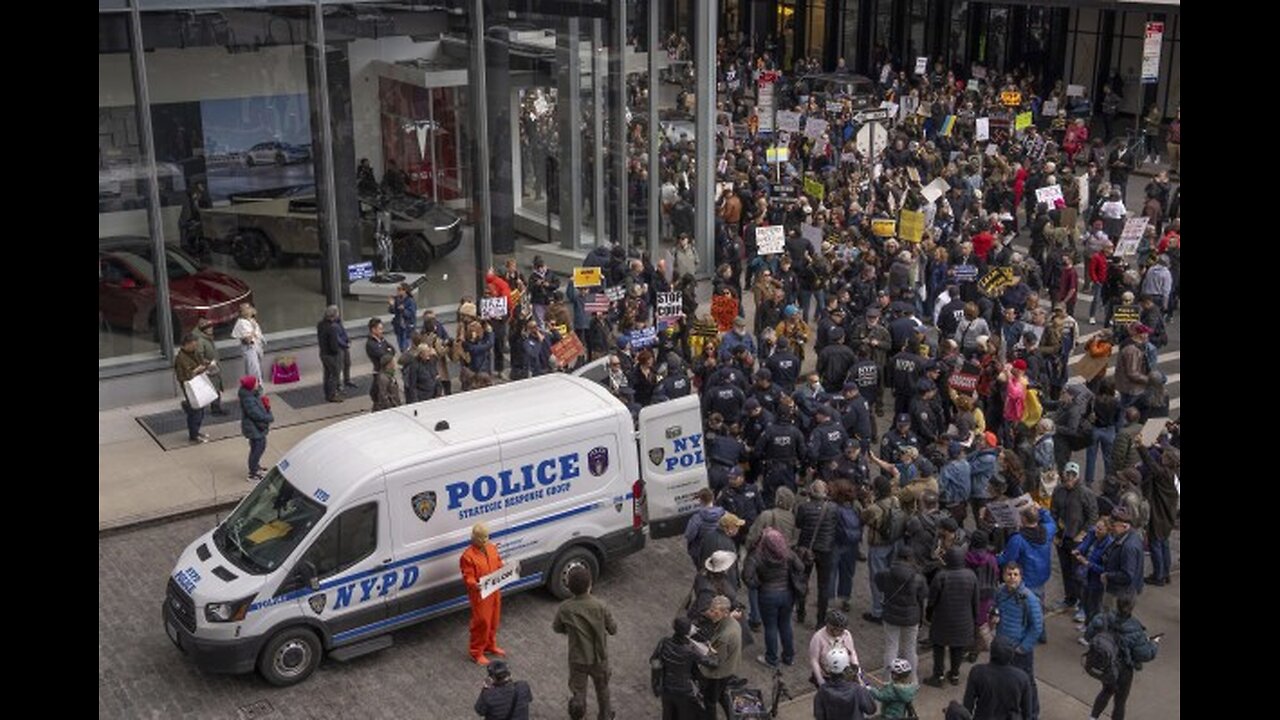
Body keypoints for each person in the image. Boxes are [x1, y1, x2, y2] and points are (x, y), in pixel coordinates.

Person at [552, 565, 618, 720]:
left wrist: (571, 630)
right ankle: (605, 715)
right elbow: (613, 629)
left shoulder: (565, 608)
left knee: (578, 692)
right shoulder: (600, 606)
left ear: (569, 587)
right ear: (590, 585)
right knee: (603, 689)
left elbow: (557, 628)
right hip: (599, 657)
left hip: (577, 658)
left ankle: (579, 716)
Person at [1085, 592, 1161, 720]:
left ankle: (1093, 718)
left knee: (1106, 691)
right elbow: (1145, 655)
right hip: (1123, 670)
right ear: (1132, 607)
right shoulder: (1136, 629)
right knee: (1120, 702)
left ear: (1117, 602)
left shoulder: (1102, 618)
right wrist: (1154, 643)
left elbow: (1088, 636)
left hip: (1105, 664)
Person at [991, 562, 1043, 719]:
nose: (1012, 578)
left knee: (1027, 683)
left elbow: (1037, 627)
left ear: (1020, 577)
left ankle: (1032, 714)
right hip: (1002, 647)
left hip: (1019, 650)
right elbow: (994, 606)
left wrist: (1023, 647)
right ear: (1003, 576)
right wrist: (994, 615)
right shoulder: (1000, 591)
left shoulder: (1029, 598)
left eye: (1015, 574)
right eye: (1009, 574)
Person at [926, 547, 979, 687]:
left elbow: (932, 599)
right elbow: (975, 600)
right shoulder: (971, 576)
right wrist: (975, 619)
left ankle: (938, 675)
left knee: (939, 647)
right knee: (958, 648)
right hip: (964, 620)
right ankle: (954, 674)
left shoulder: (941, 576)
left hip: (942, 619)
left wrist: (928, 614)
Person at [876, 546, 928, 686]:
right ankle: (912, 680)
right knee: (910, 648)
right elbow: (923, 595)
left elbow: (879, 584)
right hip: (911, 618)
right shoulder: (918, 577)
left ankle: (888, 681)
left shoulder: (886, 573)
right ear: (910, 558)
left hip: (891, 616)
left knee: (891, 648)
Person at [653, 616, 717, 720]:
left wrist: (656, 682)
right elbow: (712, 663)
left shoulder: (664, 643)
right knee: (683, 715)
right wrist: (712, 652)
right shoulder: (690, 652)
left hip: (666, 687)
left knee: (667, 715)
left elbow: (655, 662)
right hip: (684, 690)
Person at [460, 522, 505, 665]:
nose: (485, 541)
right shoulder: (467, 556)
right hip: (480, 594)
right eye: (482, 538)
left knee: (494, 619)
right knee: (482, 622)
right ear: (474, 538)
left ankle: (490, 645)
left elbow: (498, 564)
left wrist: (508, 570)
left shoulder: (492, 548)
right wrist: (475, 585)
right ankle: (476, 652)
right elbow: (468, 577)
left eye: (486, 537)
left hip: (494, 589)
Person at [961, 636, 1034, 720]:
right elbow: (1027, 712)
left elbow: (967, 705)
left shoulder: (977, 672)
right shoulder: (1022, 678)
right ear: (1011, 654)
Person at [698, 595, 741, 720]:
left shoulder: (725, 636)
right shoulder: (732, 623)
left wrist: (699, 655)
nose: (711, 614)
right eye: (711, 610)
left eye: (714, 611)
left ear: (725, 612)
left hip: (719, 673)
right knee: (722, 695)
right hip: (730, 667)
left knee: (710, 701)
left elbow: (716, 660)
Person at [812, 646, 877, 720]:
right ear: (846, 668)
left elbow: (819, 715)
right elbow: (871, 709)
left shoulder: (822, 691)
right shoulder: (857, 689)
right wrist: (862, 686)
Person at [174, 333, 211, 444]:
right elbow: (183, 376)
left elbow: (200, 362)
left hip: (199, 384)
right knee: (196, 412)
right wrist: (196, 370)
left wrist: (205, 364)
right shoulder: (180, 358)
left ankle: (196, 432)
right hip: (190, 387)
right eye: (194, 345)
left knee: (201, 409)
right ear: (187, 344)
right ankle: (193, 435)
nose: (196, 347)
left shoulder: (193, 353)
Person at [807, 610, 858, 688]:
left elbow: (851, 651)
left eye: (842, 630)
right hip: (826, 675)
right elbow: (814, 660)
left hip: (845, 674)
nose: (840, 633)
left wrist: (856, 667)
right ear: (829, 626)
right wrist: (821, 681)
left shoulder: (846, 634)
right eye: (837, 629)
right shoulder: (818, 637)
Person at [238, 375, 273, 482]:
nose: (258, 384)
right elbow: (255, 414)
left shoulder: (251, 395)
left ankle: (256, 467)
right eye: (256, 383)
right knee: (257, 449)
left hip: (255, 428)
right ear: (251, 386)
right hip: (253, 428)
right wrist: (268, 416)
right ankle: (252, 473)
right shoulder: (248, 399)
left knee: (258, 447)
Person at [194, 318, 226, 415]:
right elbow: (199, 355)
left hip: (213, 367)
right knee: (213, 388)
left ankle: (216, 407)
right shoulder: (201, 340)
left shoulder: (208, 339)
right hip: (208, 369)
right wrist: (207, 363)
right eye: (208, 327)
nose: (211, 329)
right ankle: (215, 409)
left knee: (215, 388)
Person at [230, 302, 266, 385]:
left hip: (257, 348)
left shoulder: (252, 320)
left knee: (257, 370)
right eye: (244, 309)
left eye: (248, 308)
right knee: (254, 371)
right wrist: (253, 330)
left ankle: (256, 388)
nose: (247, 310)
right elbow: (248, 340)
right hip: (250, 349)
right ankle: (255, 389)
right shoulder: (241, 323)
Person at [317, 306, 345, 403]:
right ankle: (332, 395)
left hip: (323, 353)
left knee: (327, 374)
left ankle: (327, 393)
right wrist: (338, 350)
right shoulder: (332, 328)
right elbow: (333, 344)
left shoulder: (320, 324)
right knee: (335, 374)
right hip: (331, 354)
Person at [388, 282, 417, 352]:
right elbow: (392, 311)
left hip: (407, 327)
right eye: (397, 289)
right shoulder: (397, 300)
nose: (398, 291)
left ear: (405, 291)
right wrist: (391, 305)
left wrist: (403, 310)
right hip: (399, 326)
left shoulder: (410, 301)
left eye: (399, 289)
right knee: (401, 346)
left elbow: (411, 314)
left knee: (406, 346)